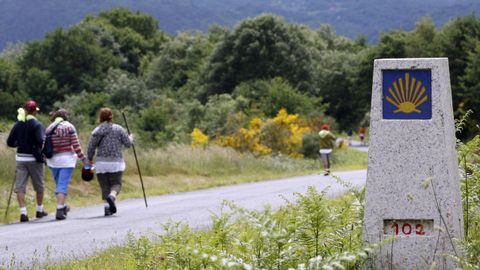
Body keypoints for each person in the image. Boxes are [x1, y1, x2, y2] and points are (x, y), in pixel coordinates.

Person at [6, 100, 48, 222]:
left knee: (20, 187)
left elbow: (9, 142)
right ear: (35, 111)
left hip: (20, 158)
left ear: (25, 110)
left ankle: (23, 213)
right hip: (34, 159)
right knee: (39, 185)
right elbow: (41, 140)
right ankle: (39, 210)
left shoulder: (18, 124)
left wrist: (20, 143)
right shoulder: (37, 124)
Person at [87, 108, 133, 216]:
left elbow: (91, 147)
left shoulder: (97, 130)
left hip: (101, 163)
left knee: (105, 185)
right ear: (111, 116)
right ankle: (112, 196)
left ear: (100, 117)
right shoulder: (119, 129)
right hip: (116, 162)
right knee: (116, 183)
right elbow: (128, 144)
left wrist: (89, 158)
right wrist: (131, 138)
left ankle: (107, 207)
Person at [45, 108, 88, 220]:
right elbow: (76, 145)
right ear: (66, 116)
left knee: (59, 184)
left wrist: (44, 159)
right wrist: (83, 158)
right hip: (67, 159)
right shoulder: (69, 127)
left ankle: (63, 206)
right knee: (62, 185)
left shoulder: (49, 128)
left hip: (53, 160)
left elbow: (44, 145)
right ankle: (59, 209)